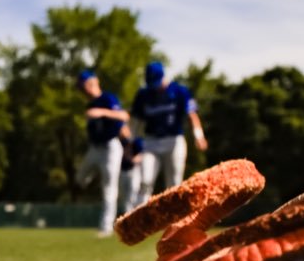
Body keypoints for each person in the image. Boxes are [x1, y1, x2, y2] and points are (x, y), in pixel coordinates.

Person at [130, 61, 208, 197]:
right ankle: (140, 214)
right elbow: (135, 122)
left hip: (174, 140)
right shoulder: (143, 95)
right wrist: (131, 144)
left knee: (174, 183)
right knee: (145, 180)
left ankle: (174, 217)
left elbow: (192, 115)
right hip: (151, 142)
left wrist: (199, 136)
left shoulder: (179, 91)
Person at [77, 69, 131, 238]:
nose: (85, 89)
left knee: (109, 188)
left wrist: (102, 112)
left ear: (94, 82)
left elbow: (123, 115)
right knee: (80, 178)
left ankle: (106, 227)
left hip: (110, 147)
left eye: (87, 85)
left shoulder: (107, 98)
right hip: (95, 148)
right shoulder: (89, 104)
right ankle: (89, 181)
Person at [119, 135, 146, 214]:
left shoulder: (138, 141)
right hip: (122, 171)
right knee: (124, 197)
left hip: (134, 170)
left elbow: (143, 153)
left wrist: (134, 159)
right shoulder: (121, 141)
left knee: (133, 193)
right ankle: (127, 215)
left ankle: (134, 214)